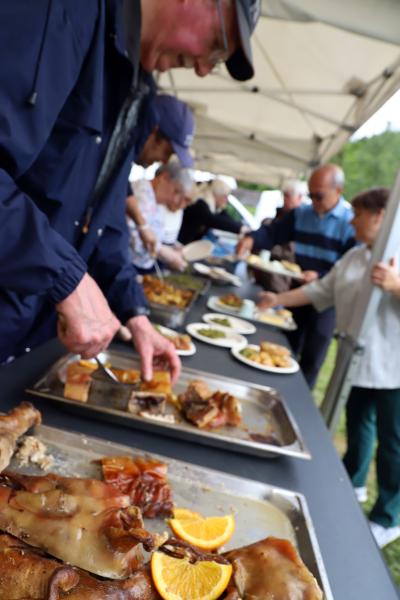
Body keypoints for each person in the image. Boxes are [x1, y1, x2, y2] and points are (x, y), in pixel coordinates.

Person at [0, 0, 260, 382]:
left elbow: (102, 220)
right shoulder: (57, 12)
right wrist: (62, 274)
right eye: (218, 45)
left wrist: (134, 311)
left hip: (28, 339)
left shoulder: (135, 88)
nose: (205, 69)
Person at [257, 187, 400, 548]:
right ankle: (351, 485)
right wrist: (278, 299)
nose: (351, 221)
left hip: (394, 366)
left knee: (394, 444)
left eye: (359, 214)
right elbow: (320, 291)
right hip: (358, 361)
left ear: (381, 216)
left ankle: (389, 515)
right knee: (359, 427)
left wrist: (397, 286)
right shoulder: (354, 257)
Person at [237, 164, 355, 388]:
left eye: (319, 195)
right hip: (297, 291)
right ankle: (275, 388)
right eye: (310, 195)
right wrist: (252, 238)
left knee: (312, 356)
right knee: (286, 345)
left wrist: (321, 275)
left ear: (338, 191)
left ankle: (300, 397)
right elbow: (273, 232)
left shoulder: (350, 224)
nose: (314, 201)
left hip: (326, 300)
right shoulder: (301, 214)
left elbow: (350, 266)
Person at [127, 163, 193, 273]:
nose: (176, 200)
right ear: (164, 178)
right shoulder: (142, 194)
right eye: (176, 191)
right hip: (129, 265)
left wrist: (172, 248)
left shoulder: (157, 201)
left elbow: (153, 233)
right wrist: (166, 253)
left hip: (139, 265)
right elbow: (133, 235)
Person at [252, 179, 305, 293]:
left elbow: (291, 255)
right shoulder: (273, 220)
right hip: (262, 278)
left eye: (289, 196)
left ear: (300, 197)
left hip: (281, 284)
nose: (285, 200)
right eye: (284, 195)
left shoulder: (303, 226)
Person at [178, 179, 246, 245]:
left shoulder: (213, 207)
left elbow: (226, 216)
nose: (226, 200)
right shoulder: (200, 204)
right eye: (225, 196)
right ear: (217, 194)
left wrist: (241, 227)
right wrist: (240, 228)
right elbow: (212, 219)